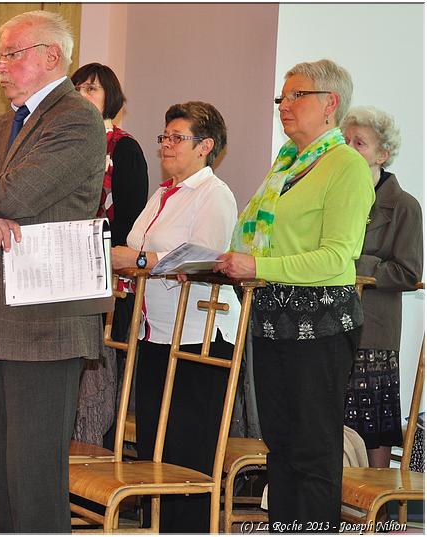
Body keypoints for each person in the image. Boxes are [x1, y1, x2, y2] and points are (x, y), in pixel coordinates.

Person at [0, 10, 106, 532]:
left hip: (49, 318)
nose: (0, 67)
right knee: (2, 472)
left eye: (12, 54)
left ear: (50, 56)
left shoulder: (75, 118)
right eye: (0, 55)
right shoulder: (5, 123)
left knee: (33, 476)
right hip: (4, 312)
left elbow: (18, 193)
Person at [215, 59, 374, 530]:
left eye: (296, 96)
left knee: (312, 449)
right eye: (281, 97)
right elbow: (263, 239)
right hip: (270, 319)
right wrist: (219, 264)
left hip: (319, 327)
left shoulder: (345, 166)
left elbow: (336, 258)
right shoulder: (287, 162)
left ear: (330, 104)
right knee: (280, 446)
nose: (284, 106)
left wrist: (258, 266)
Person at [111, 101, 239, 532]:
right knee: (155, 446)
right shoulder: (163, 193)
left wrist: (140, 259)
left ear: (205, 146)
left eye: (177, 138)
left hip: (198, 335)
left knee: (186, 450)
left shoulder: (213, 194)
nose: (166, 145)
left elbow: (203, 263)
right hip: (154, 332)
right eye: (164, 137)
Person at [70, 62, 148, 447]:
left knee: (98, 374)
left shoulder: (124, 148)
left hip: (107, 274)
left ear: (110, 99)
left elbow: (131, 221)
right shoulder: (61, 143)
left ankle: (95, 447)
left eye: (93, 90)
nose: (84, 96)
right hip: (65, 272)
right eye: (79, 89)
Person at [341, 106, 423, 469]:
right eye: (345, 141)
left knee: (373, 426)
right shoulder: (338, 197)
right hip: (333, 321)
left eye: (359, 143)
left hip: (374, 332)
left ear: (382, 154)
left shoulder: (404, 206)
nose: (349, 148)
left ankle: (377, 514)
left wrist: (358, 263)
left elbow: (408, 272)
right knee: (335, 420)